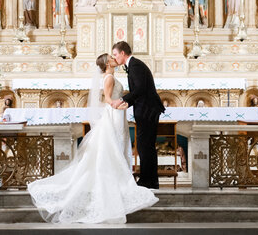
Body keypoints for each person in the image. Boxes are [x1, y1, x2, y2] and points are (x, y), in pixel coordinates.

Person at [28, 53, 158, 223]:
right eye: (111, 58)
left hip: (117, 113)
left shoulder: (109, 76)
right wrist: (120, 104)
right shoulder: (109, 77)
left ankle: (119, 177)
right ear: (107, 63)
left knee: (117, 144)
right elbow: (108, 99)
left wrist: (122, 103)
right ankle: (118, 179)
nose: (114, 59)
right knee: (115, 144)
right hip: (115, 114)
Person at [111, 41, 165, 189]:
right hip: (146, 109)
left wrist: (122, 99)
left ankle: (148, 181)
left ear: (123, 53)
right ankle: (150, 180)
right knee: (145, 146)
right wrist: (128, 103)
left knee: (144, 146)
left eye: (115, 54)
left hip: (148, 111)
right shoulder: (134, 65)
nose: (115, 58)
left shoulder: (135, 66)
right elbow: (140, 92)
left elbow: (140, 89)